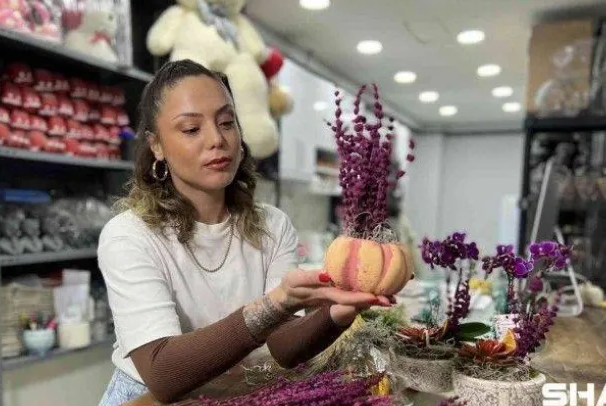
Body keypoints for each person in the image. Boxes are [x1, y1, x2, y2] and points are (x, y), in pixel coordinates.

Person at [97, 59, 392, 406]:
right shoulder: (129, 235)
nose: (217, 139)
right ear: (156, 145)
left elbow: (282, 346)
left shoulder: (272, 225)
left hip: (237, 397)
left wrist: (336, 314)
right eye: (191, 129)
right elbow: (163, 374)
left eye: (226, 122)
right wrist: (275, 304)